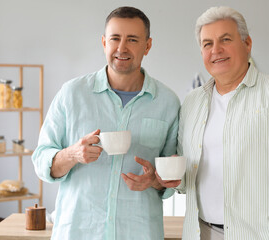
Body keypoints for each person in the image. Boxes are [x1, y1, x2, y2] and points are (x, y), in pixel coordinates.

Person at [157, 6, 269, 240]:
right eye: (207, 43)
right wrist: (170, 178)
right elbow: (189, 175)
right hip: (199, 233)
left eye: (225, 40)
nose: (216, 50)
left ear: (247, 44)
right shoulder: (192, 102)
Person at [32, 6, 179, 240]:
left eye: (132, 39)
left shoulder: (168, 102)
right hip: (78, 233)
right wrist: (72, 154)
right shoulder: (71, 94)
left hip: (139, 233)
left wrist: (156, 181)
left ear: (148, 45)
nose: (122, 48)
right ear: (104, 42)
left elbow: (171, 179)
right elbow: (41, 161)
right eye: (115, 38)